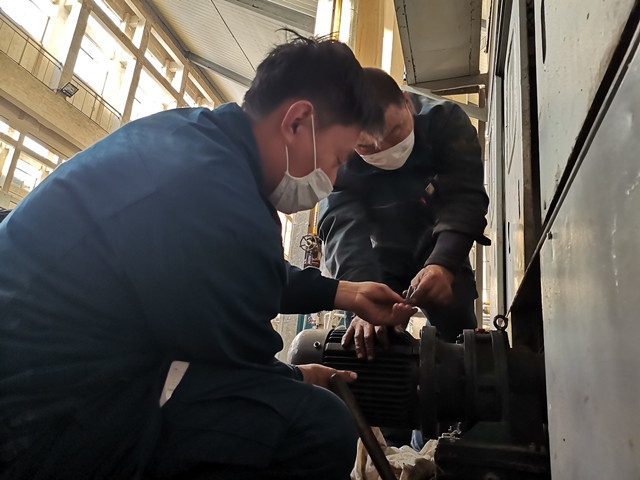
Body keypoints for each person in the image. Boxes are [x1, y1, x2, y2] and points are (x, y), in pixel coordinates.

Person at [0, 37, 416, 480]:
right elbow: (243, 363)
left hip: (47, 364)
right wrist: (296, 378)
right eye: (337, 158)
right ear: (297, 122)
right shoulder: (221, 201)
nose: (332, 178)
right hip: (37, 419)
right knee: (318, 424)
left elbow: (238, 272)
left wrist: (343, 292)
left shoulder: (194, 140)